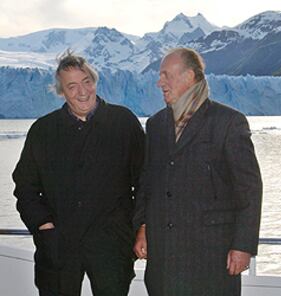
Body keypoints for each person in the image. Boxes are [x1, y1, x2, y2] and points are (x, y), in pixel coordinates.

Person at [12, 51, 145, 296]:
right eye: (72, 86)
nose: (82, 92)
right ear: (61, 91)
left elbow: (145, 181)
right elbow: (25, 187)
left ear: (95, 81)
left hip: (111, 247)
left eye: (86, 82)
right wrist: (44, 226)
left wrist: (139, 228)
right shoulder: (43, 130)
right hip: (59, 245)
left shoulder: (123, 122)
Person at [133, 47, 262, 296]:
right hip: (164, 257)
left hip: (210, 257)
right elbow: (147, 182)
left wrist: (243, 246)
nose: (159, 82)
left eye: (165, 75)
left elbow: (250, 190)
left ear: (189, 77)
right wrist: (143, 227)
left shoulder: (228, 122)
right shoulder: (156, 124)